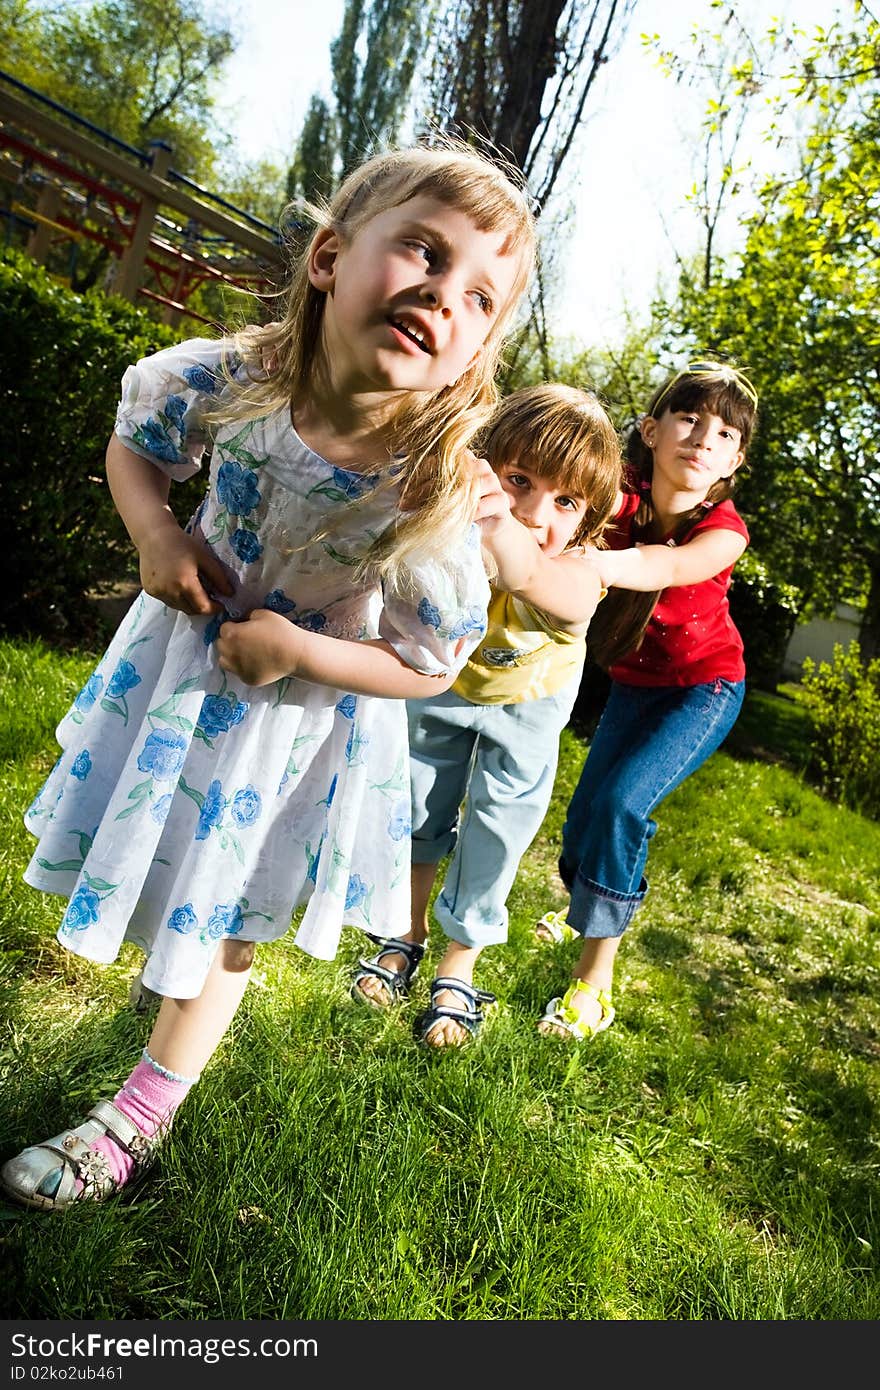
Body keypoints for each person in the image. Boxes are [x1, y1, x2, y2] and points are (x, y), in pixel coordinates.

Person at [1, 139, 537, 1211]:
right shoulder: (236, 380)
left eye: (480, 295)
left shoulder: (431, 494)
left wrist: (299, 648)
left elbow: (428, 662)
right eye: (422, 252)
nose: (443, 293)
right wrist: (156, 534)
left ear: (477, 351)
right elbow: (136, 443)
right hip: (176, 681)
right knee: (159, 861)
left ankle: (138, 1113)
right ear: (331, 258)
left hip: (293, 734)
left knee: (228, 918)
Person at [349, 382, 622, 1046]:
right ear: (486, 468)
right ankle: (404, 932)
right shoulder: (456, 535)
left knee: (494, 838)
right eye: (519, 480)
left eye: (564, 501)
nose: (534, 511)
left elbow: (541, 583)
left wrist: (499, 526)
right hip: (442, 688)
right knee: (418, 808)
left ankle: (458, 964)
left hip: (528, 709)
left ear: (587, 522)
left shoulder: (582, 569)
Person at [535, 360, 758, 1042]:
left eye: (724, 433)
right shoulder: (621, 498)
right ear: (651, 430)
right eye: (690, 419)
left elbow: (663, 567)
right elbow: (558, 504)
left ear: (734, 460)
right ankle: (590, 897)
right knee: (582, 828)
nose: (703, 438)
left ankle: (592, 985)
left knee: (621, 805)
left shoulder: (723, 529)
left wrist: (598, 564)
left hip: (705, 689)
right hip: (636, 684)